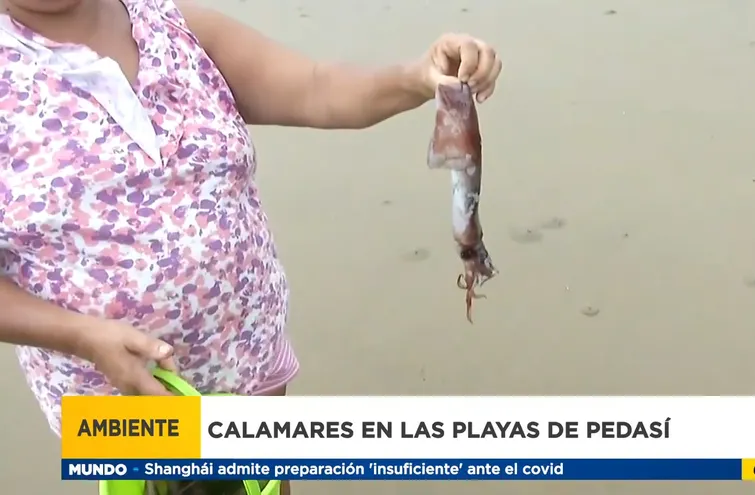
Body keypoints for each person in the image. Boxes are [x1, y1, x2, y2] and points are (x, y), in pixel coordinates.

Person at [0, 0, 502, 490]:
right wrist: (82, 337)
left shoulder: (177, 26)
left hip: (246, 355)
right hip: (121, 393)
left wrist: (418, 76)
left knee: (261, 485)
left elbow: (316, 89)